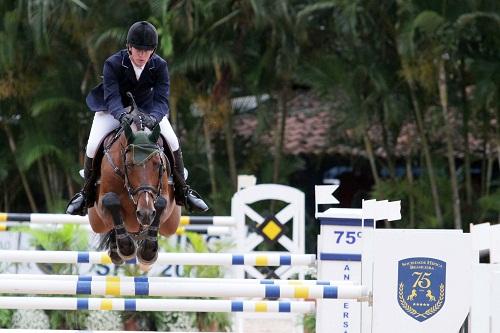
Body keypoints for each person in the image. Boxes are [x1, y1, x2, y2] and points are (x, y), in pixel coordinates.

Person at [66, 21, 208, 215]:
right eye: (138, 50)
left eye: (147, 50)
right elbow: (112, 96)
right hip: (113, 110)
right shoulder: (113, 63)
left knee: (173, 141)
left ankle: (184, 191)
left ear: (153, 50)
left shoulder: (159, 65)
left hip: (148, 110)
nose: (142, 55)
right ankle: (86, 194)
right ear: (129, 47)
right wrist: (121, 115)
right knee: (92, 145)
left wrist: (154, 118)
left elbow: (161, 99)